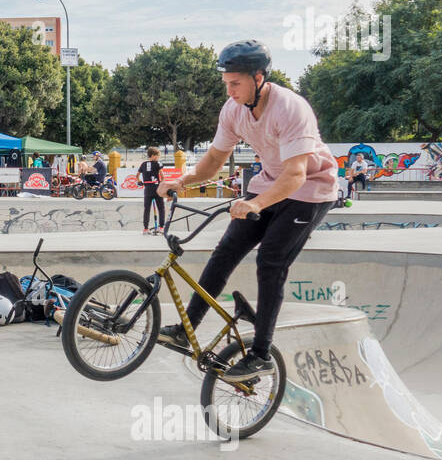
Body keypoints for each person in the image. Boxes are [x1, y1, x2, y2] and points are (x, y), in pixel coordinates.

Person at [158, 40, 336, 381]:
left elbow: (297, 173)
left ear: (258, 78)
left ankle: (261, 354)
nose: (230, 91)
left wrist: (254, 203)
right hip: (269, 183)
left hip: (311, 189)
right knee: (225, 250)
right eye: (226, 83)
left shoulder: (290, 108)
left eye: (235, 83)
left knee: (270, 261)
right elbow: (213, 160)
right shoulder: (233, 110)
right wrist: (183, 181)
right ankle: (186, 328)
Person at [138, 146, 165, 234]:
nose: (158, 157)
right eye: (157, 155)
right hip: (157, 188)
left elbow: (136, 176)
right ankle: (161, 228)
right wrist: (162, 184)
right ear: (153, 155)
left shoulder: (143, 164)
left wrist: (140, 182)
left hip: (147, 189)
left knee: (147, 209)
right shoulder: (158, 163)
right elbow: (163, 176)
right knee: (161, 209)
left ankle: (145, 229)